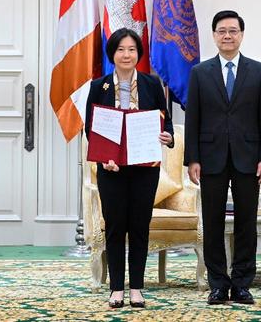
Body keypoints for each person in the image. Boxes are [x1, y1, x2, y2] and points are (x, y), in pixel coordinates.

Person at [184, 10, 261, 305]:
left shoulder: (258, 71)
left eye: (232, 31)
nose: (227, 36)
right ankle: (218, 284)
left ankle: (242, 283)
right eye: (222, 31)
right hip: (210, 159)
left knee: (246, 222)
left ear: (241, 35)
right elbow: (193, 119)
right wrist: (192, 159)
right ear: (214, 36)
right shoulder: (200, 73)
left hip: (248, 158)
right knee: (212, 222)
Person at [84, 28, 175, 309]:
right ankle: (116, 290)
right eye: (121, 49)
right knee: (115, 227)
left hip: (144, 168)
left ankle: (136, 288)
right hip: (111, 170)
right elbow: (91, 128)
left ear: (139, 53)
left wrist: (167, 137)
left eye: (132, 49)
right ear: (112, 53)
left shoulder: (151, 84)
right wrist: (104, 156)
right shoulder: (98, 86)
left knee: (139, 227)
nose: (127, 54)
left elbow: (166, 123)